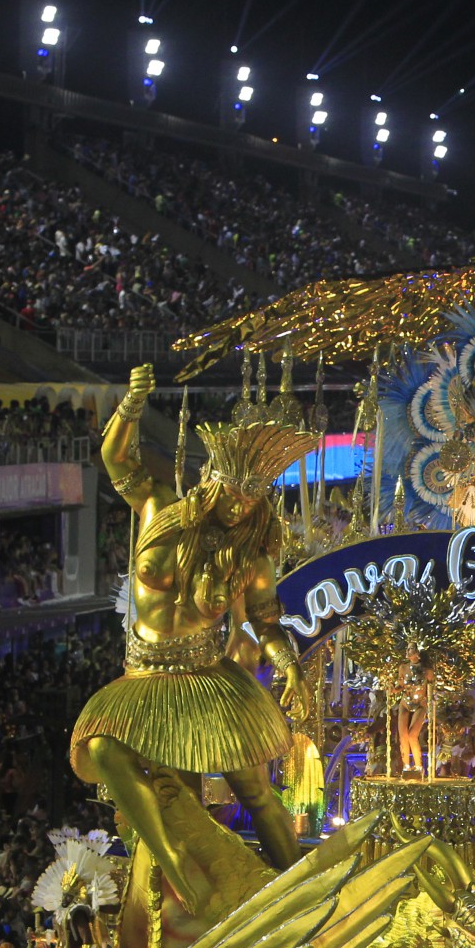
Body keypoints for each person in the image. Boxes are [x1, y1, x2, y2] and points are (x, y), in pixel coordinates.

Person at [73, 364, 317, 914]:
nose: (238, 507)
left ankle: (301, 891)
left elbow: (267, 624)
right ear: (213, 481)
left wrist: (289, 664)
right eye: (232, 493)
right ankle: (176, 866)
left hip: (208, 682)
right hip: (144, 678)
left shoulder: (251, 558)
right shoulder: (160, 509)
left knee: (253, 789)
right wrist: (131, 407)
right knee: (107, 750)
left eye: (250, 502)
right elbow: (116, 461)